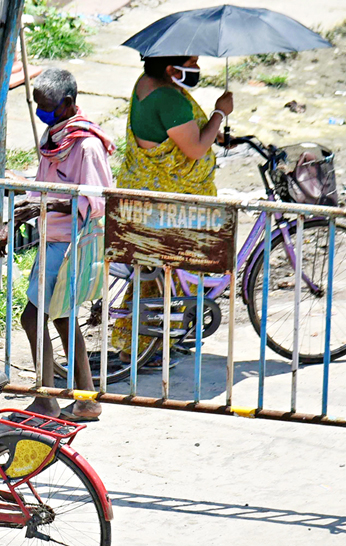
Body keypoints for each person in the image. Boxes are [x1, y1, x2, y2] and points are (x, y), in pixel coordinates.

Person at [0, 68, 113, 422]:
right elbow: (38, 192)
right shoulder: (54, 136)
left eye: (47, 107)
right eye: (37, 105)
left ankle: (46, 399)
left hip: (71, 243)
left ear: (69, 104)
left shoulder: (87, 146)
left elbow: (94, 201)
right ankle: (86, 399)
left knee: (33, 317)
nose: (42, 113)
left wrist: (43, 206)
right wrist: (12, 224)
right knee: (61, 317)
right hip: (51, 239)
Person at [111, 56, 235, 359]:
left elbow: (174, 131)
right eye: (190, 61)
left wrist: (209, 130)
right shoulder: (169, 99)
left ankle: (153, 342)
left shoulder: (146, 84)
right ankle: (152, 346)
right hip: (169, 202)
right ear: (171, 68)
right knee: (176, 267)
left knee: (160, 274)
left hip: (140, 191)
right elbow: (194, 149)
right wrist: (221, 112)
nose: (196, 65)